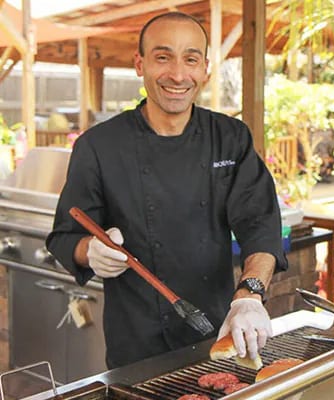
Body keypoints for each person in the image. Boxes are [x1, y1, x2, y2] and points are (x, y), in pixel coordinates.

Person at [46, 11, 288, 370]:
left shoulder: (231, 138)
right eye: (163, 57)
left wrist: (249, 296)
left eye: (190, 59)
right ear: (139, 64)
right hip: (135, 341)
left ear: (205, 68)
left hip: (220, 330)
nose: (177, 74)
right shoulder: (98, 146)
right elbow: (65, 237)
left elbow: (261, 226)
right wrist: (90, 250)